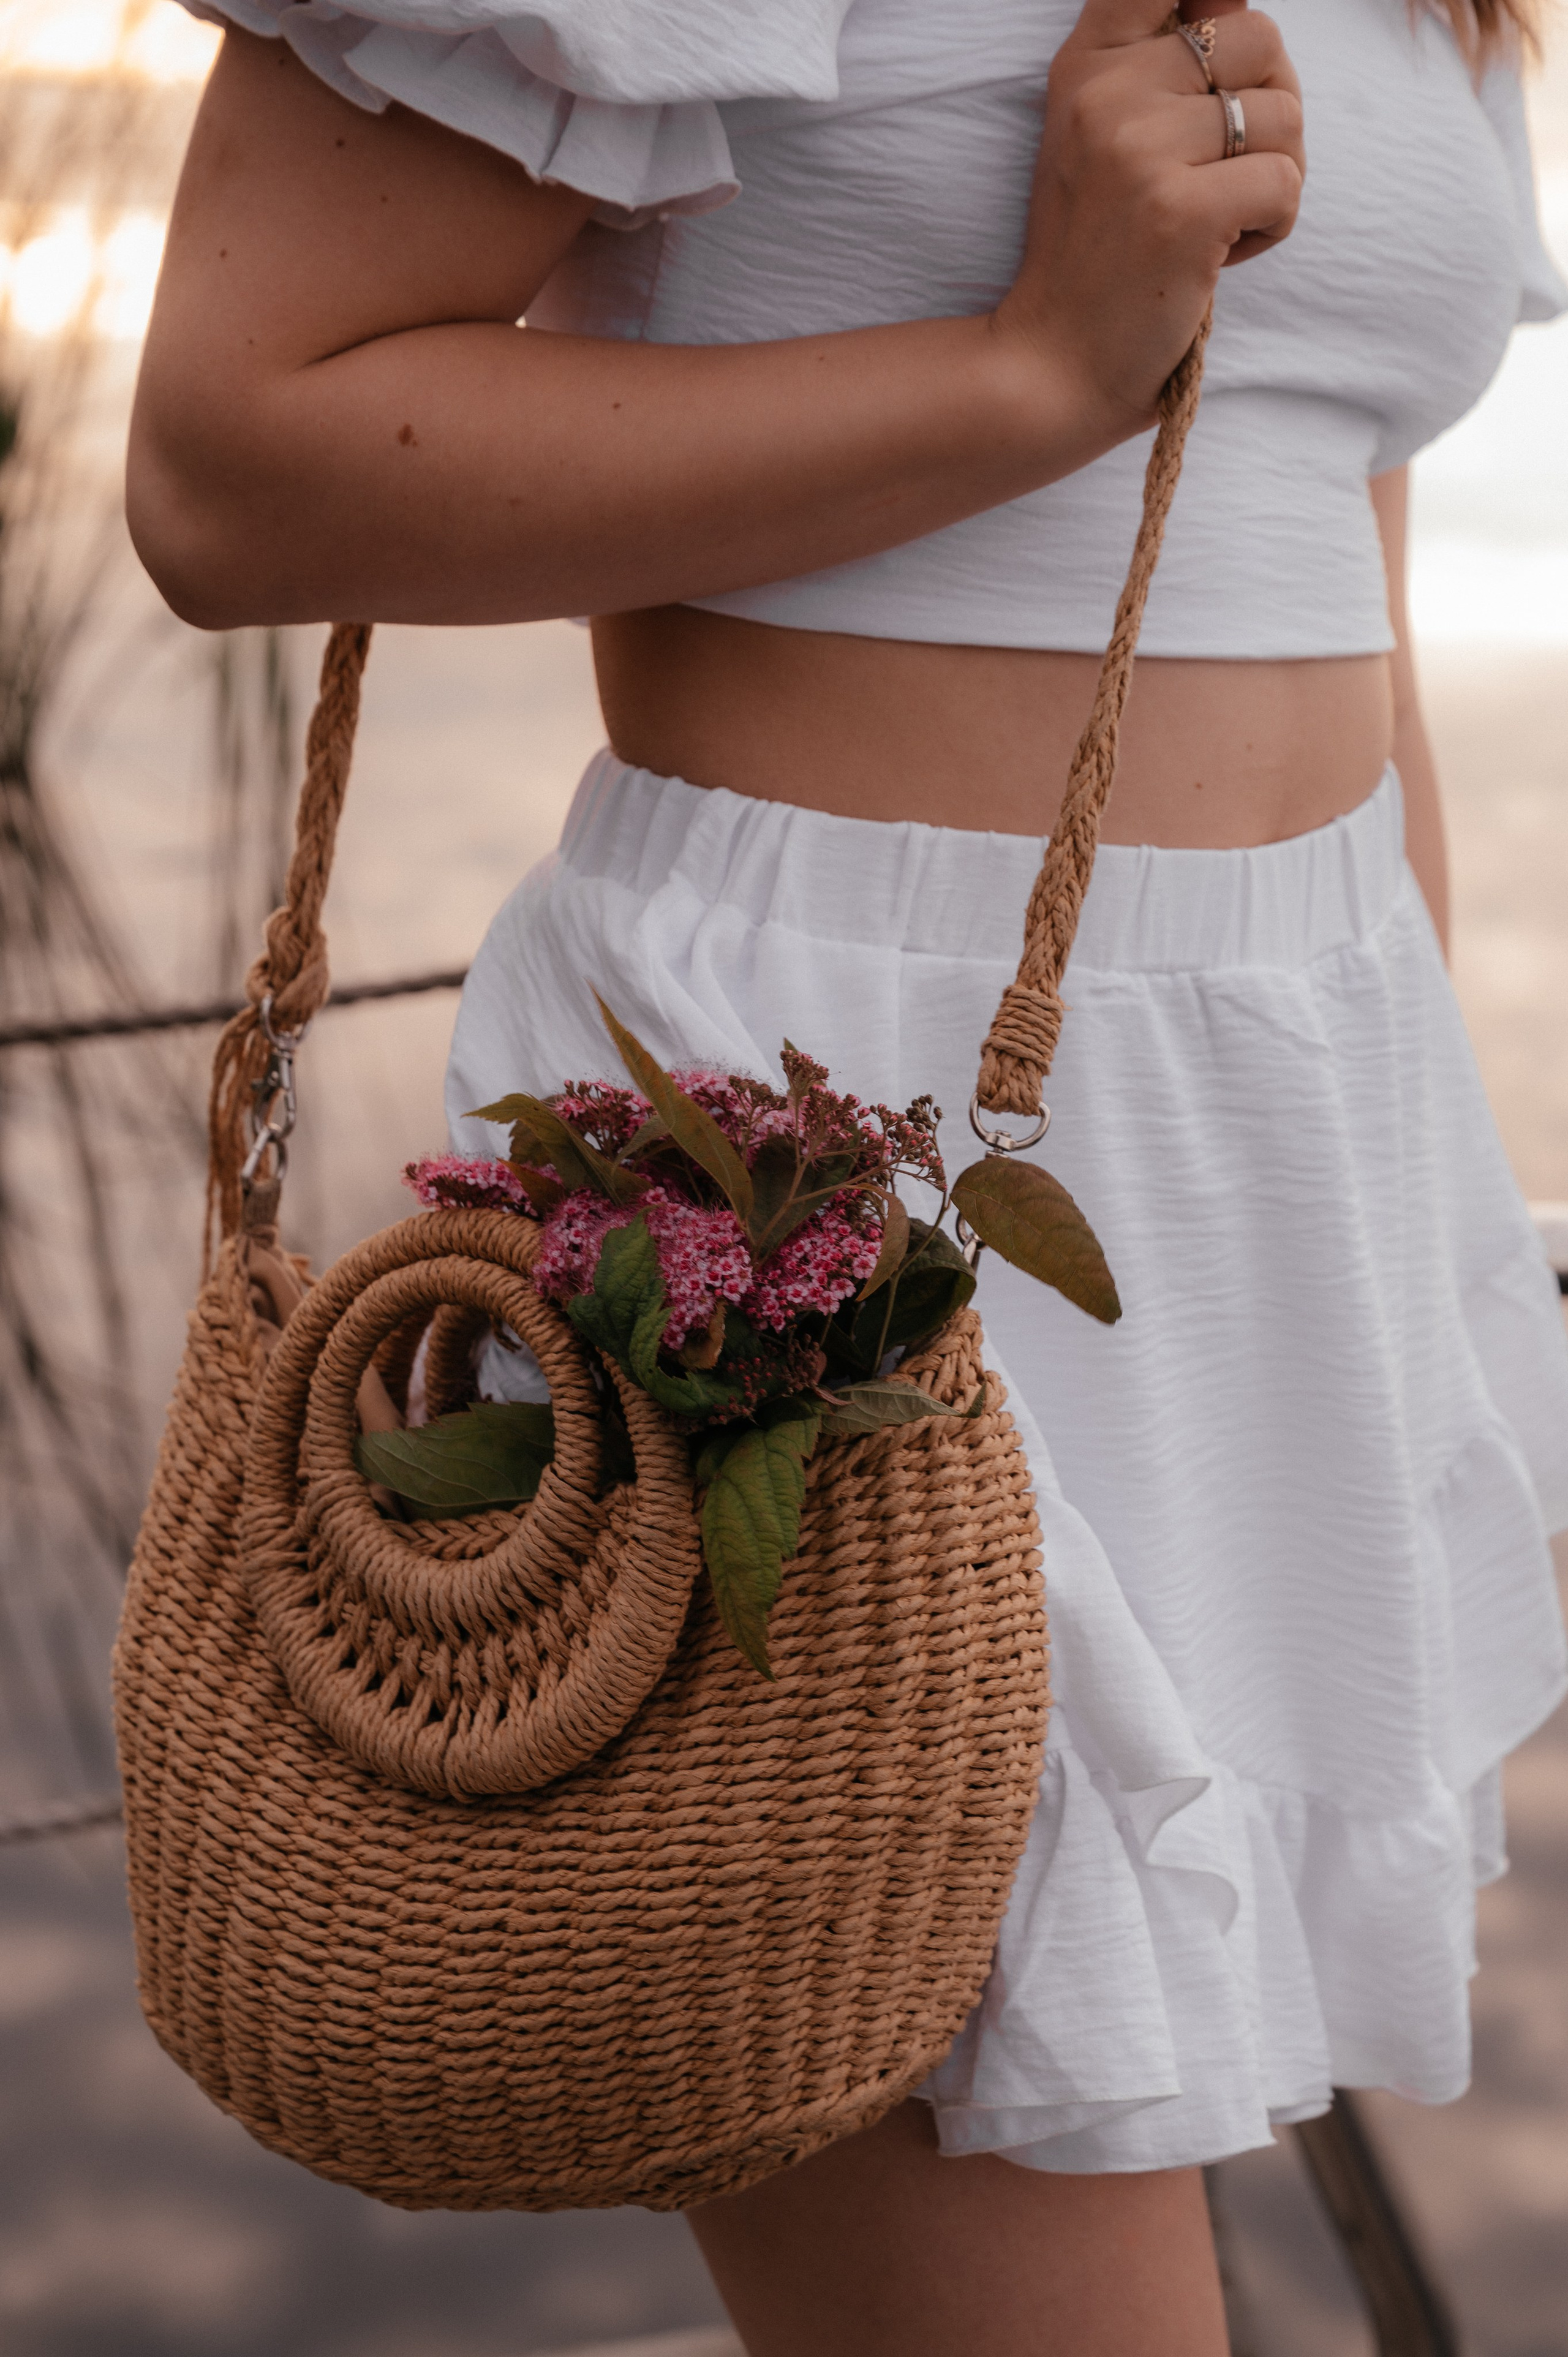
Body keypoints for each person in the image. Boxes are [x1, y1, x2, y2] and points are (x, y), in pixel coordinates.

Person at [128, 1, 1568, 2350]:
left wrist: (1437, 1273)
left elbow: (1330, 548)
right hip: (825, 1183)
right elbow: (230, 466)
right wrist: (1030, 371)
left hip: (1282, 1200)